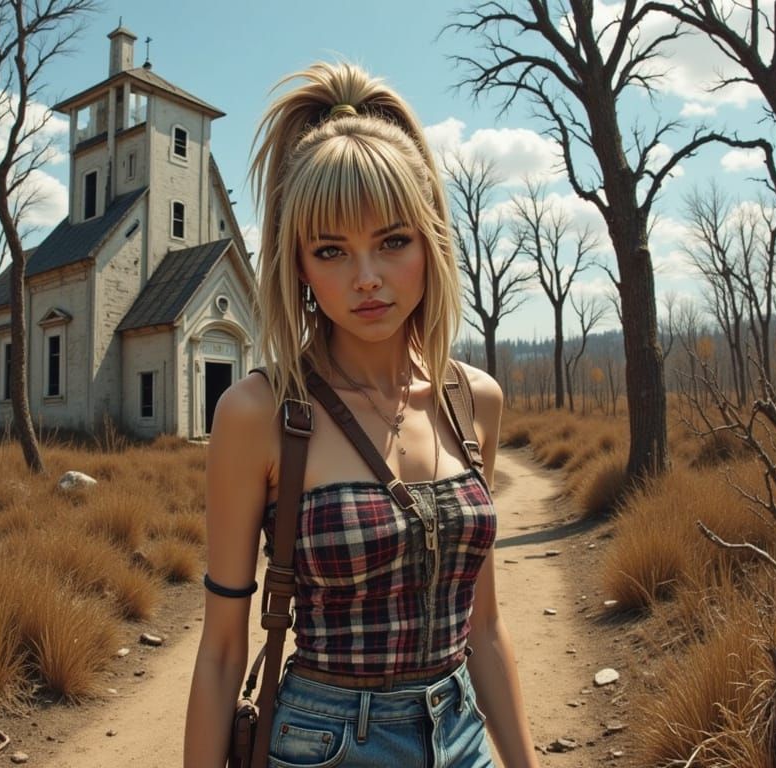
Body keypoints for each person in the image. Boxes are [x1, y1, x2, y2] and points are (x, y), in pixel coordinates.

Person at [184, 61, 539, 768]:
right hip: (328, 743)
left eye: (392, 241)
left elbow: (485, 628)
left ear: (431, 242)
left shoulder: (473, 400)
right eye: (332, 251)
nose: (367, 278)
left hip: (461, 734)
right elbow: (222, 652)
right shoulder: (260, 413)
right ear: (299, 266)